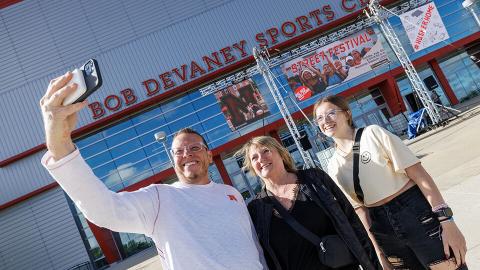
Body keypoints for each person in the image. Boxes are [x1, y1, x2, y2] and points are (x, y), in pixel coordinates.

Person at [39, 71, 267, 270]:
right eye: (179, 151)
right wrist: (58, 144)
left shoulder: (233, 195)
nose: (187, 154)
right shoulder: (160, 198)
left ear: (209, 155)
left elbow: (254, 246)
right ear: (173, 161)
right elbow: (105, 210)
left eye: (194, 148)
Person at [313, 95, 468, 270]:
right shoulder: (333, 166)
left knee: (448, 266)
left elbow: (420, 175)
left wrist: (447, 220)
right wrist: (378, 252)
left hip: (414, 212)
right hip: (382, 228)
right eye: (319, 117)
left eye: (330, 113)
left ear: (347, 114)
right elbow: (360, 210)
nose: (325, 120)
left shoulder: (373, 134)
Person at [237, 136, 381, 270]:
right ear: (253, 168)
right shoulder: (256, 208)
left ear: (281, 154)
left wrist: (373, 265)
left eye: (266, 151)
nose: (261, 159)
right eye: (254, 157)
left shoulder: (315, 179)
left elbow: (351, 221)